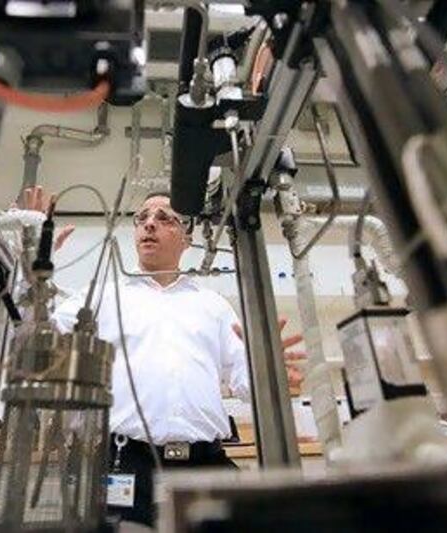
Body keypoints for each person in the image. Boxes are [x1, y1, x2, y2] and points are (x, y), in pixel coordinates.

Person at [17, 186, 304, 527]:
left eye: (164, 218)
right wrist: (29, 270)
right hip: (124, 466)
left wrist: (267, 372)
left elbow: (245, 382)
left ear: (187, 236)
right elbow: (34, 340)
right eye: (142, 218)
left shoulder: (211, 305)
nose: (149, 224)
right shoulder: (102, 297)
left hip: (205, 465)